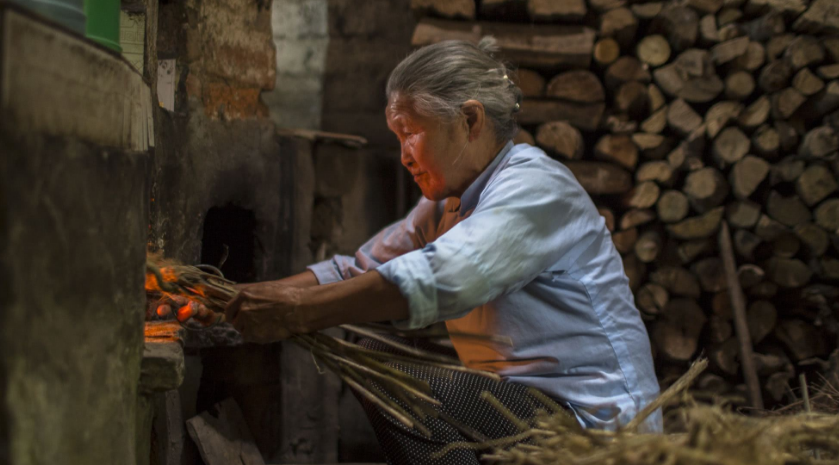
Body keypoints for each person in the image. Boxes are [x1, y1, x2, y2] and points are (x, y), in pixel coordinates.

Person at [219, 37, 662, 462]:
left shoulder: (535, 187)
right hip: (530, 411)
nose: (404, 156)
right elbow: (358, 269)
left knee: (392, 385)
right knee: (375, 359)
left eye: (410, 132)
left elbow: (446, 276)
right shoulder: (448, 203)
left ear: (470, 121)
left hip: (596, 429)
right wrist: (245, 298)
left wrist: (299, 310)